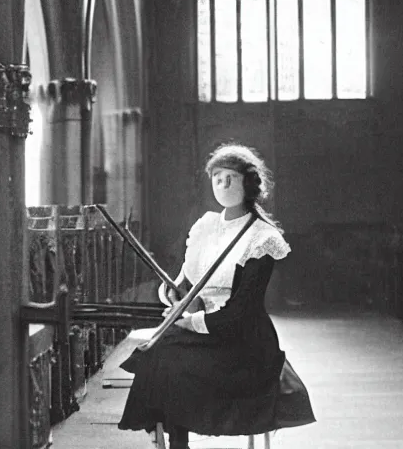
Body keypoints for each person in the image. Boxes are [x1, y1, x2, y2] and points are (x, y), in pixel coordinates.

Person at [118, 143, 316, 449]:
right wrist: (173, 293)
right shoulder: (205, 226)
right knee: (158, 354)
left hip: (242, 339)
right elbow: (184, 281)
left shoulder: (262, 238)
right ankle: (176, 441)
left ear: (248, 184)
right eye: (217, 177)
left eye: (231, 178)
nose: (222, 184)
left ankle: (182, 433)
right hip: (202, 326)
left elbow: (242, 310)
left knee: (175, 362)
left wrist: (192, 322)